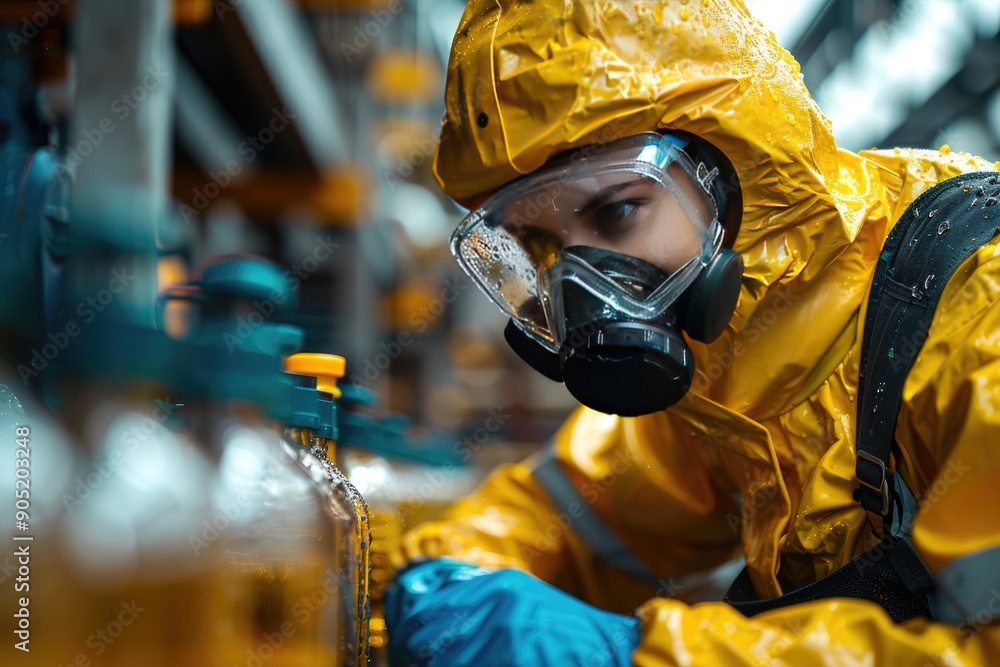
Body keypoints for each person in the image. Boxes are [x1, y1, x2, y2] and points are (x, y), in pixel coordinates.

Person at [384, 0, 1000, 665]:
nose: (583, 289)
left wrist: (636, 655)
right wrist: (439, 576)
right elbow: (570, 516)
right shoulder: (726, 373)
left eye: (618, 211)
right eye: (539, 244)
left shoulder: (975, 322)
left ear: (731, 164)